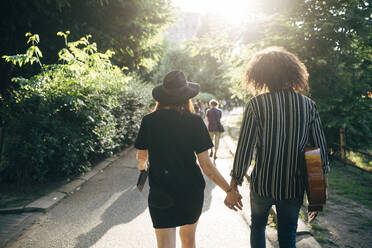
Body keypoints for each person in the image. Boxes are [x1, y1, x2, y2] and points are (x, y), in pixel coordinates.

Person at [227, 47, 330, 248]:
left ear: (261, 75)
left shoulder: (256, 104)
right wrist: (319, 192)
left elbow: (244, 149)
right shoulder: (308, 105)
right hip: (293, 186)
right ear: (293, 73)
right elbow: (319, 151)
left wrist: (234, 184)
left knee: (257, 227)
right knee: (288, 233)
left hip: (262, 184)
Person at [135, 71, 243, 248]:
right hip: (190, 191)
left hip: (161, 190)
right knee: (188, 238)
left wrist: (143, 169)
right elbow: (206, 165)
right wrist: (229, 190)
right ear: (186, 97)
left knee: (164, 245)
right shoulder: (194, 121)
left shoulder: (149, 121)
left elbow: (142, 157)